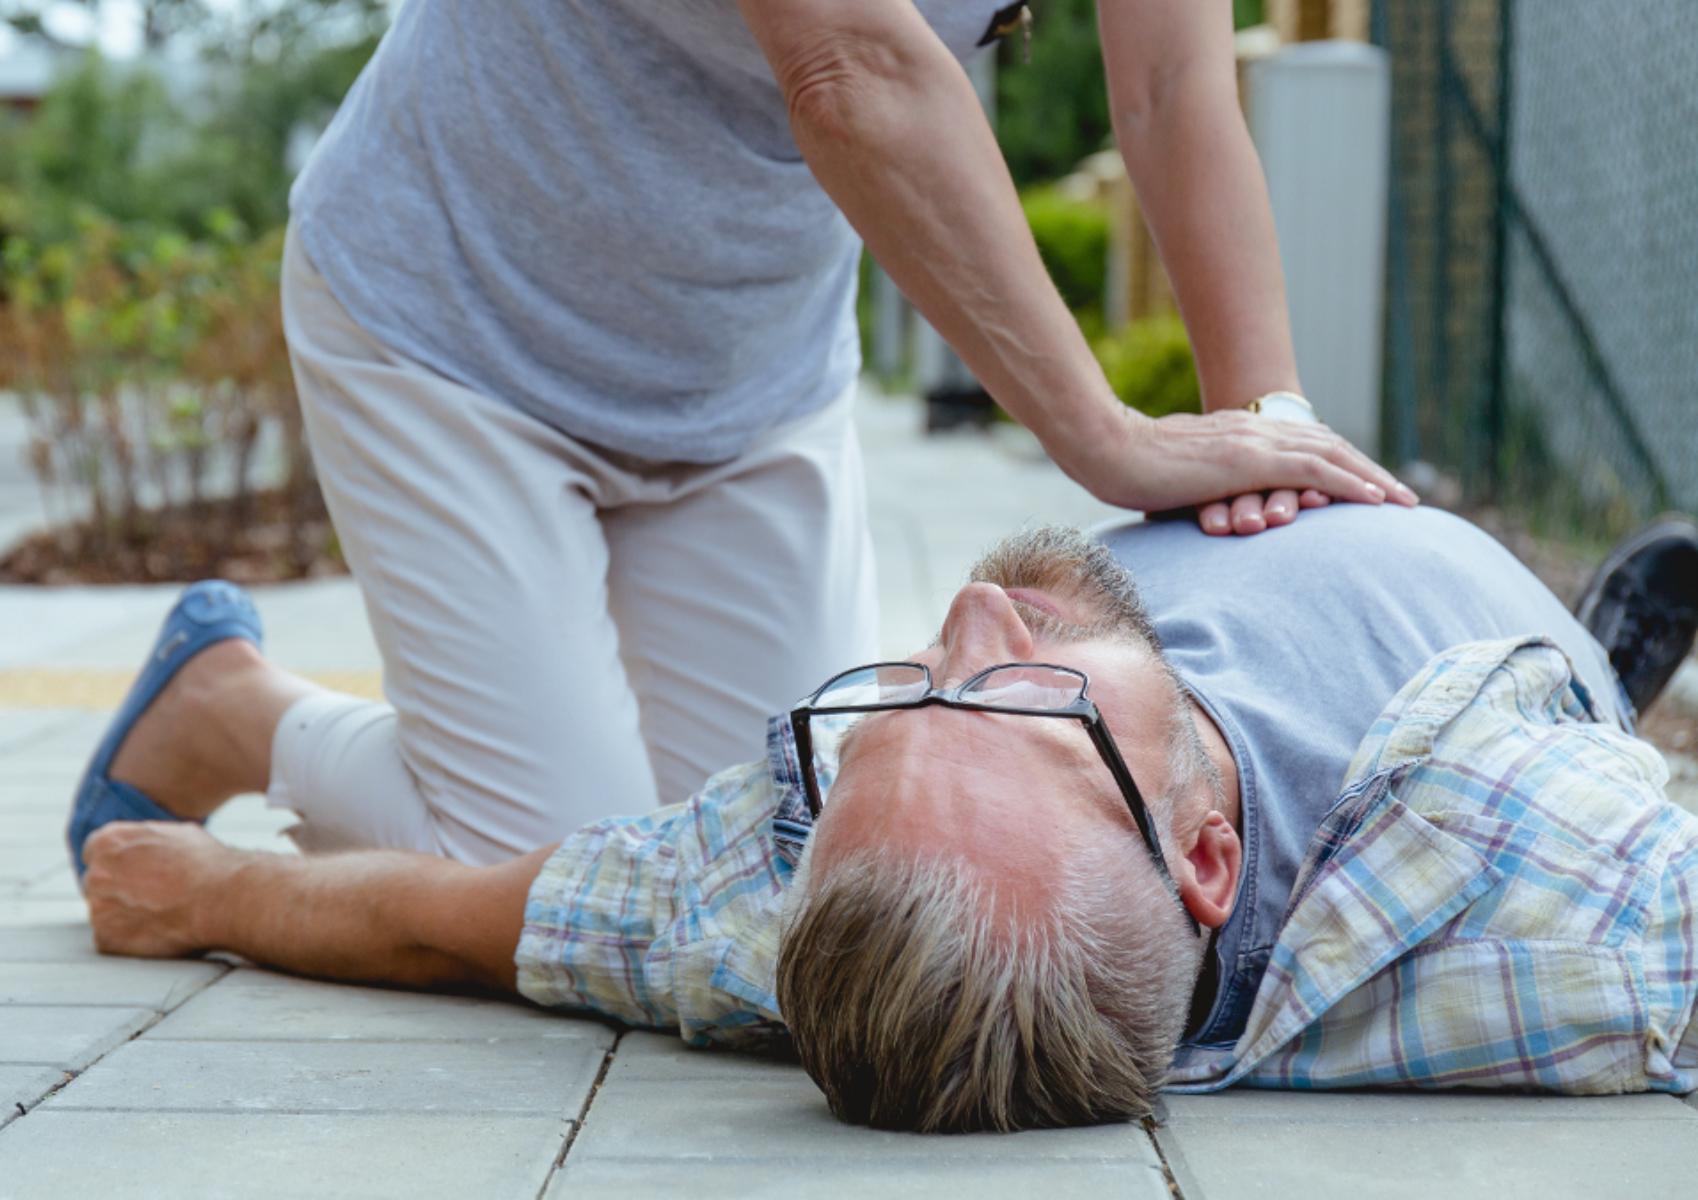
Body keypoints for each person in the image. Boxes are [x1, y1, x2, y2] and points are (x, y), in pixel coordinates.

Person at [73, 507, 1698, 1132]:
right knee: (1571, 689)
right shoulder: (1544, 873)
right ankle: (1598, 660)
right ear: (1203, 859)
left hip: (1210, 500)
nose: (980, 620)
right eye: (1009, 703)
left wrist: (215, 895)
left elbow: (479, 919)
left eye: (902, 696)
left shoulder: (750, 908)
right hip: (1463, 627)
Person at [252, 0, 1418, 863]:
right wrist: (1105, 437)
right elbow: (848, 64)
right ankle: (230, 706)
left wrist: (1269, 443)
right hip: (454, 326)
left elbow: (1174, 91)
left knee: (788, 857)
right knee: (554, 870)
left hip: (744, 375)